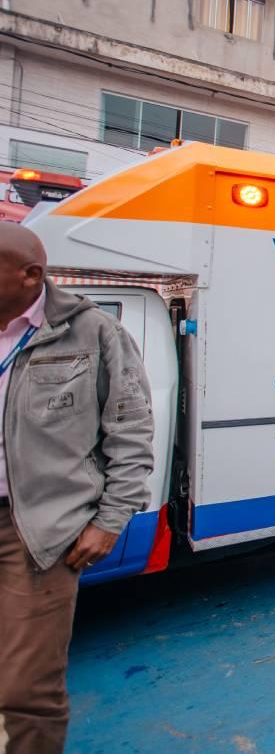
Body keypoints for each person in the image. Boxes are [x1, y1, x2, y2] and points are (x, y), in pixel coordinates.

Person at [0, 223, 155, 752]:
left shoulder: (93, 332)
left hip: (36, 531)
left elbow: (131, 429)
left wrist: (110, 520)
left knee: (26, 691)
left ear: (30, 276)